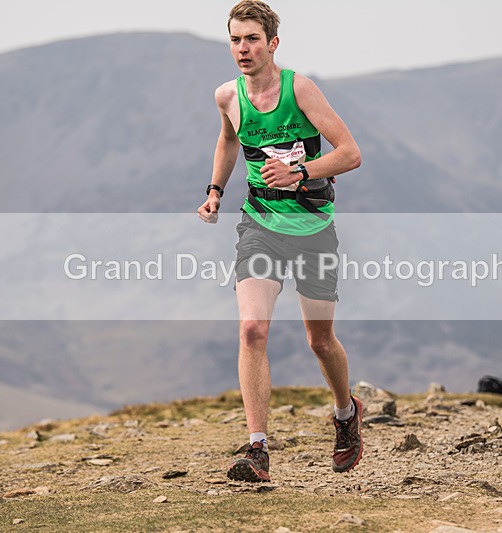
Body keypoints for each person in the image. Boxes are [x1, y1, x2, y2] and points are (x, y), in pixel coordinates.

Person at [197, 0, 363, 482]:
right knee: (253, 329)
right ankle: (257, 449)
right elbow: (229, 139)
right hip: (260, 225)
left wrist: (300, 172)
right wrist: (214, 192)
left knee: (320, 340)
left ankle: (345, 414)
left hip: (312, 228)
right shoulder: (227, 96)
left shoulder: (301, 89)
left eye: (251, 39)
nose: (242, 48)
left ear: (272, 43)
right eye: (234, 39)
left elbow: (351, 154)